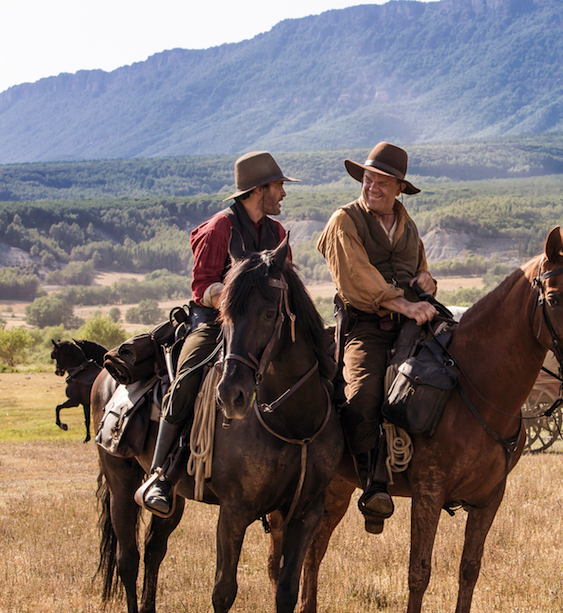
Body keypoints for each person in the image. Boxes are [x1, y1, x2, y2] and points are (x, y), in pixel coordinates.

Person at [139, 151, 300, 516]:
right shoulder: (219, 228)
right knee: (189, 374)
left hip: (261, 322)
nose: (283, 194)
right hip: (213, 321)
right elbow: (202, 287)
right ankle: (160, 474)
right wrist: (240, 298)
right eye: (278, 186)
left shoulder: (276, 233)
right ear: (260, 190)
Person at [316, 141, 438, 533]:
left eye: (383, 182)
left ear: (400, 187)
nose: (373, 187)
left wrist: (426, 281)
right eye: (369, 178)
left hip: (410, 319)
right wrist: (402, 304)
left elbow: (420, 269)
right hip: (365, 324)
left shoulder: (407, 224)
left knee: (449, 373)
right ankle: (373, 484)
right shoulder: (345, 221)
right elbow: (356, 277)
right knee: (361, 394)